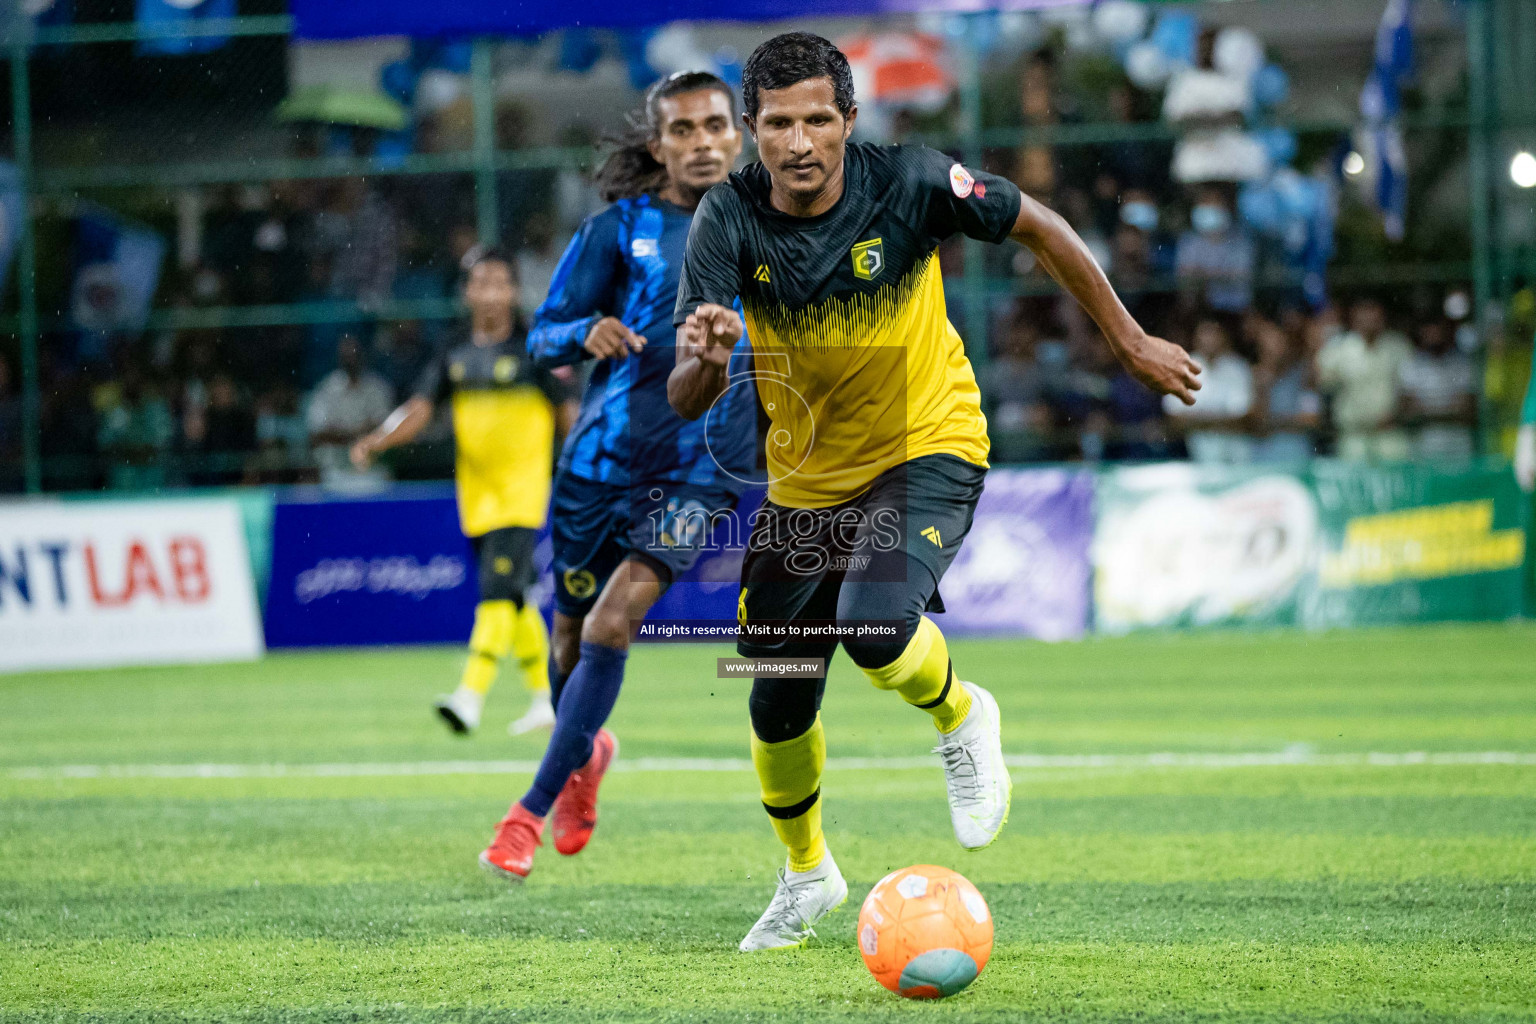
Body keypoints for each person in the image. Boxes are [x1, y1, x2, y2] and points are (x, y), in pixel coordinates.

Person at [667, 32, 1200, 952]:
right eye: (779, 124)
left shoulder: (910, 181)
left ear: (849, 121)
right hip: (805, 484)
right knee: (776, 697)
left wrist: (1128, 339)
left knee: (876, 627)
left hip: (928, 444)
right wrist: (706, 362)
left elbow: (1038, 222)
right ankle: (807, 875)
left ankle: (962, 716)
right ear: (753, 130)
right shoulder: (726, 219)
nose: (799, 144)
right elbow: (687, 393)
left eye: (818, 121)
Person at [475, 72, 757, 883]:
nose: (702, 142)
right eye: (684, 130)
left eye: (714, 126)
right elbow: (540, 338)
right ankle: (585, 750)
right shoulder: (618, 228)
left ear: (737, 135)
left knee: (609, 625)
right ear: (657, 144)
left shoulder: (773, 226)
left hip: (702, 471)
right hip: (599, 466)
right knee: (569, 634)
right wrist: (584, 330)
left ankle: (525, 812)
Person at [351, 249, 577, 738]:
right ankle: (546, 700)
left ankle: (470, 696)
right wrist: (378, 440)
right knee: (515, 596)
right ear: (468, 292)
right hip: (476, 494)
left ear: (515, 292)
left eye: (501, 282)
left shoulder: (538, 348)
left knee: (495, 592)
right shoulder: (453, 352)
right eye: (482, 282)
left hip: (522, 492)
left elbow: (569, 415)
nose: (492, 292)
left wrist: (588, 468)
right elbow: (418, 408)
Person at [1315, 298, 1413, 462]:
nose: (1369, 322)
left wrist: (1398, 413)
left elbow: (1409, 390)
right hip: (1354, 434)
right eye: (1364, 317)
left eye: (1374, 317)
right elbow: (1320, 382)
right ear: (1354, 320)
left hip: (1389, 433)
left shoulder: (1397, 346)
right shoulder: (1340, 348)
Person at [1163, 316, 1255, 464]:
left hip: (1236, 456)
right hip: (1197, 455)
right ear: (1195, 337)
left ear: (1224, 337)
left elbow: (1243, 416)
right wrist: (1219, 419)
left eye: (1214, 334)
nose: (1209, 339)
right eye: (1205, 334)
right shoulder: (1183, 367)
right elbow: (1174, 417)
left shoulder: (1238, 368)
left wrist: (1197, 420)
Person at [306, 335, 394, 488]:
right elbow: (316, 434)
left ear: (363, 356)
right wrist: (358, 434)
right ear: (339, 358)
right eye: (346, 356)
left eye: (355, 354)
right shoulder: (327, 389)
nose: (351, 360)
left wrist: (340, 433)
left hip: (373, 473)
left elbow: (388, 430)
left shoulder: (378, 388)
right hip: (335, 473)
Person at [1398, 318, 1477, 463]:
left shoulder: (1462, 363)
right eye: (1429, 329)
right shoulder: (1411, 364)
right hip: (1423, 447)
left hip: (1458, 446)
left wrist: (1427, 412)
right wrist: (1448, 411)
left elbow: (1467, 409)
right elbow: (1408, 410)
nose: (1433, 334)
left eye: (1437, 328)